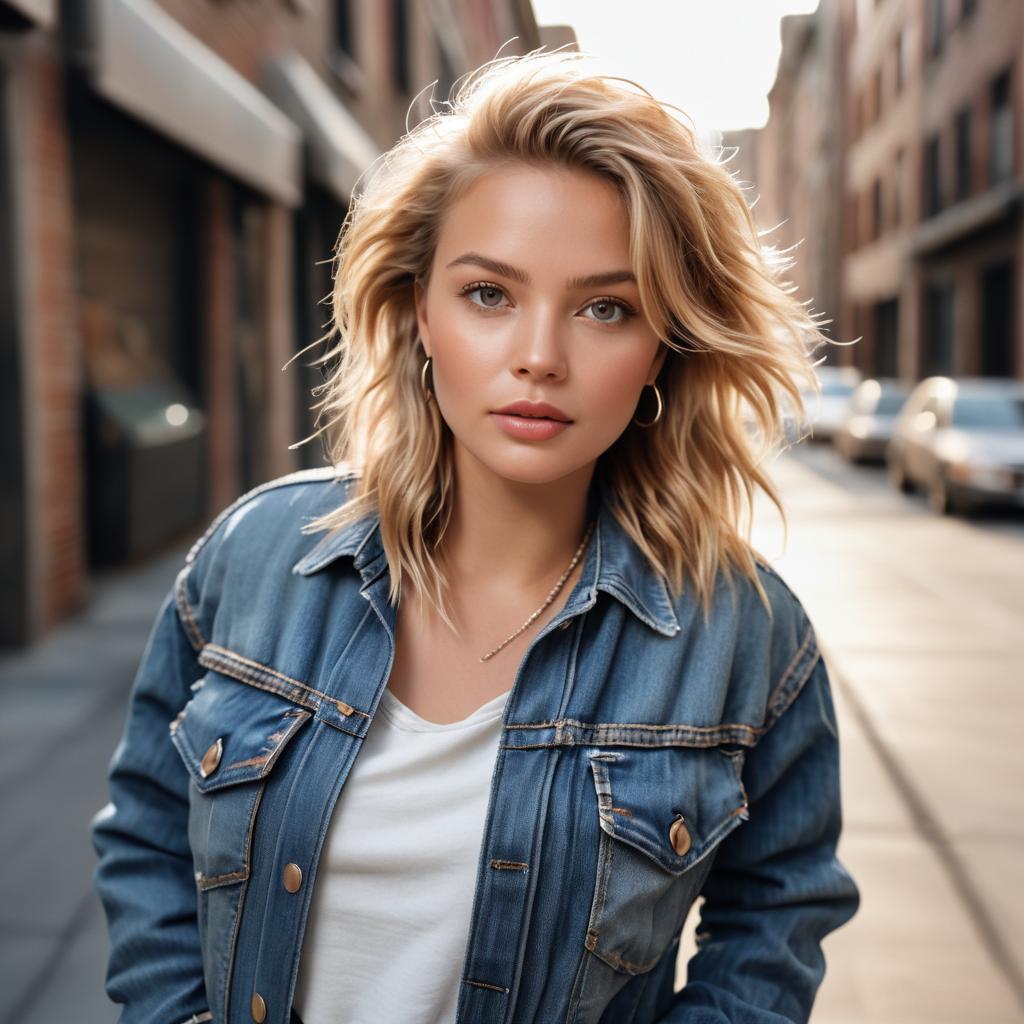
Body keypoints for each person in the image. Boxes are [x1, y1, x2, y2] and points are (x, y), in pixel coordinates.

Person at [91, 48, 860, 1024]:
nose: (538, 356)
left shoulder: (744, 636)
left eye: (604, 307)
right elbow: (149, 831)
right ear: (419, 310)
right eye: (488, 294)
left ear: (664, 342)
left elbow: (777, 907)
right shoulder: (256, 558)